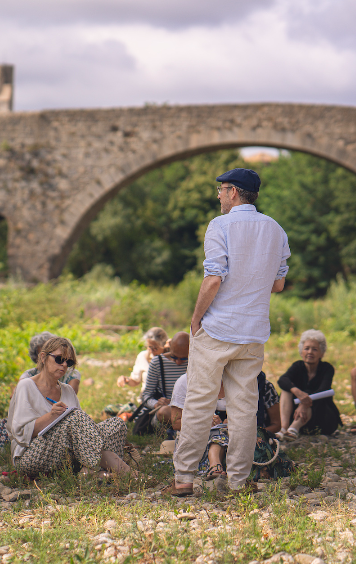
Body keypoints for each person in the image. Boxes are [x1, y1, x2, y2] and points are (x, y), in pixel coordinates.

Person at [170, 167, 290, 497]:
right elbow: (278, 284)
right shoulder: (276, 230)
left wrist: (195, 320)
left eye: (221, 190)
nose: (219, 196)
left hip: (218, 329)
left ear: (233, 192)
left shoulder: (220, 226)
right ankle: (238, 482)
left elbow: (213, 278)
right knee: (243, 409)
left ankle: (183, 479)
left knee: (198, 404)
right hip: (252, 333)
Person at [7, 337, 131, 477]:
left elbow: (81, 432)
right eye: (59, 359)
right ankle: (125, 473)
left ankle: (89, 472)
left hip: (66, 455)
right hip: (30, 456)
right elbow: (19, 433)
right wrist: (51, 416)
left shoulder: (67, 390)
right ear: (43, 357)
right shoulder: (26, 386)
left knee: (116, 424)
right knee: (74, 417)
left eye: (69, 362)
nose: (64, 365)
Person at [276, 330, 341, 440]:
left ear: (322, 353)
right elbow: (283, 380)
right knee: (286, 390)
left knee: (311, 399)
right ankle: (284, 428)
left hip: (322, 416)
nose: (310, 352)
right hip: (299, 415)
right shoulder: (297, 366)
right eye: (306, 348)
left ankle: (293, 429)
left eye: (315, 349)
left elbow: (323, 390)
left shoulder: (327, 368)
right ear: (301, 352)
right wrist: (297, 391)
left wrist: (303, 403)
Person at [140, 332, 190, 429]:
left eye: (183, 358)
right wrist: (156, 404)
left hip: (190, 408)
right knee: (164, 412)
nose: (178, 362)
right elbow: (146, 395)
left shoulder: (195, 362)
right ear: (170, 346)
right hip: (168, 410)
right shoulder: (158, 362)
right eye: (174, 357)